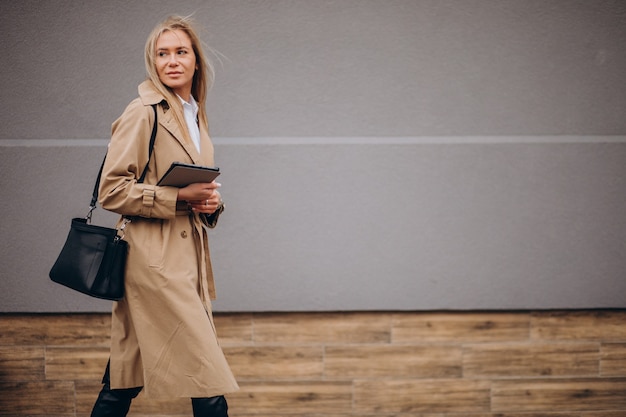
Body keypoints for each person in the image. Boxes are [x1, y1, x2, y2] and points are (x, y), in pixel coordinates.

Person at [90, 15, 239, 417]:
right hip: (154, 265)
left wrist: (210, 205)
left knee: (123, 378)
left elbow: (196, 188)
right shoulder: (143, 111)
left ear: (195, 61)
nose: (171, 61)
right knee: (207, 376)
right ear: (152, 62)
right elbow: (112, 190)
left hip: (185, 264)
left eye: (180, 52)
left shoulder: (194, 114)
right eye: (162, 53)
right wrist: (177, 198)